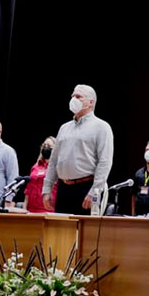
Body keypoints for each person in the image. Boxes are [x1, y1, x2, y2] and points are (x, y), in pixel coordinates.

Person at [43, 84, 114, 215]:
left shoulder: (102, 127)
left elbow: (105, 162)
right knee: (60, 232)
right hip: (63, 188)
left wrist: (94, 192)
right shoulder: (64, 128)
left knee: (83, 233)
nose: (73, 99)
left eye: (78, 97)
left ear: (91, 102)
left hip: (85, 188)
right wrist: (47, 189)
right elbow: (53, 161)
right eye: (72, 96)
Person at [24, 137, 57, 213]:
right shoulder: (35, 166)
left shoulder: (57, 167)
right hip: (31, 210)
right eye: (44, 146)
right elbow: (28, 190)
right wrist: (24, 208)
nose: (46, 148)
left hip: (48, 209)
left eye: (48, 146)